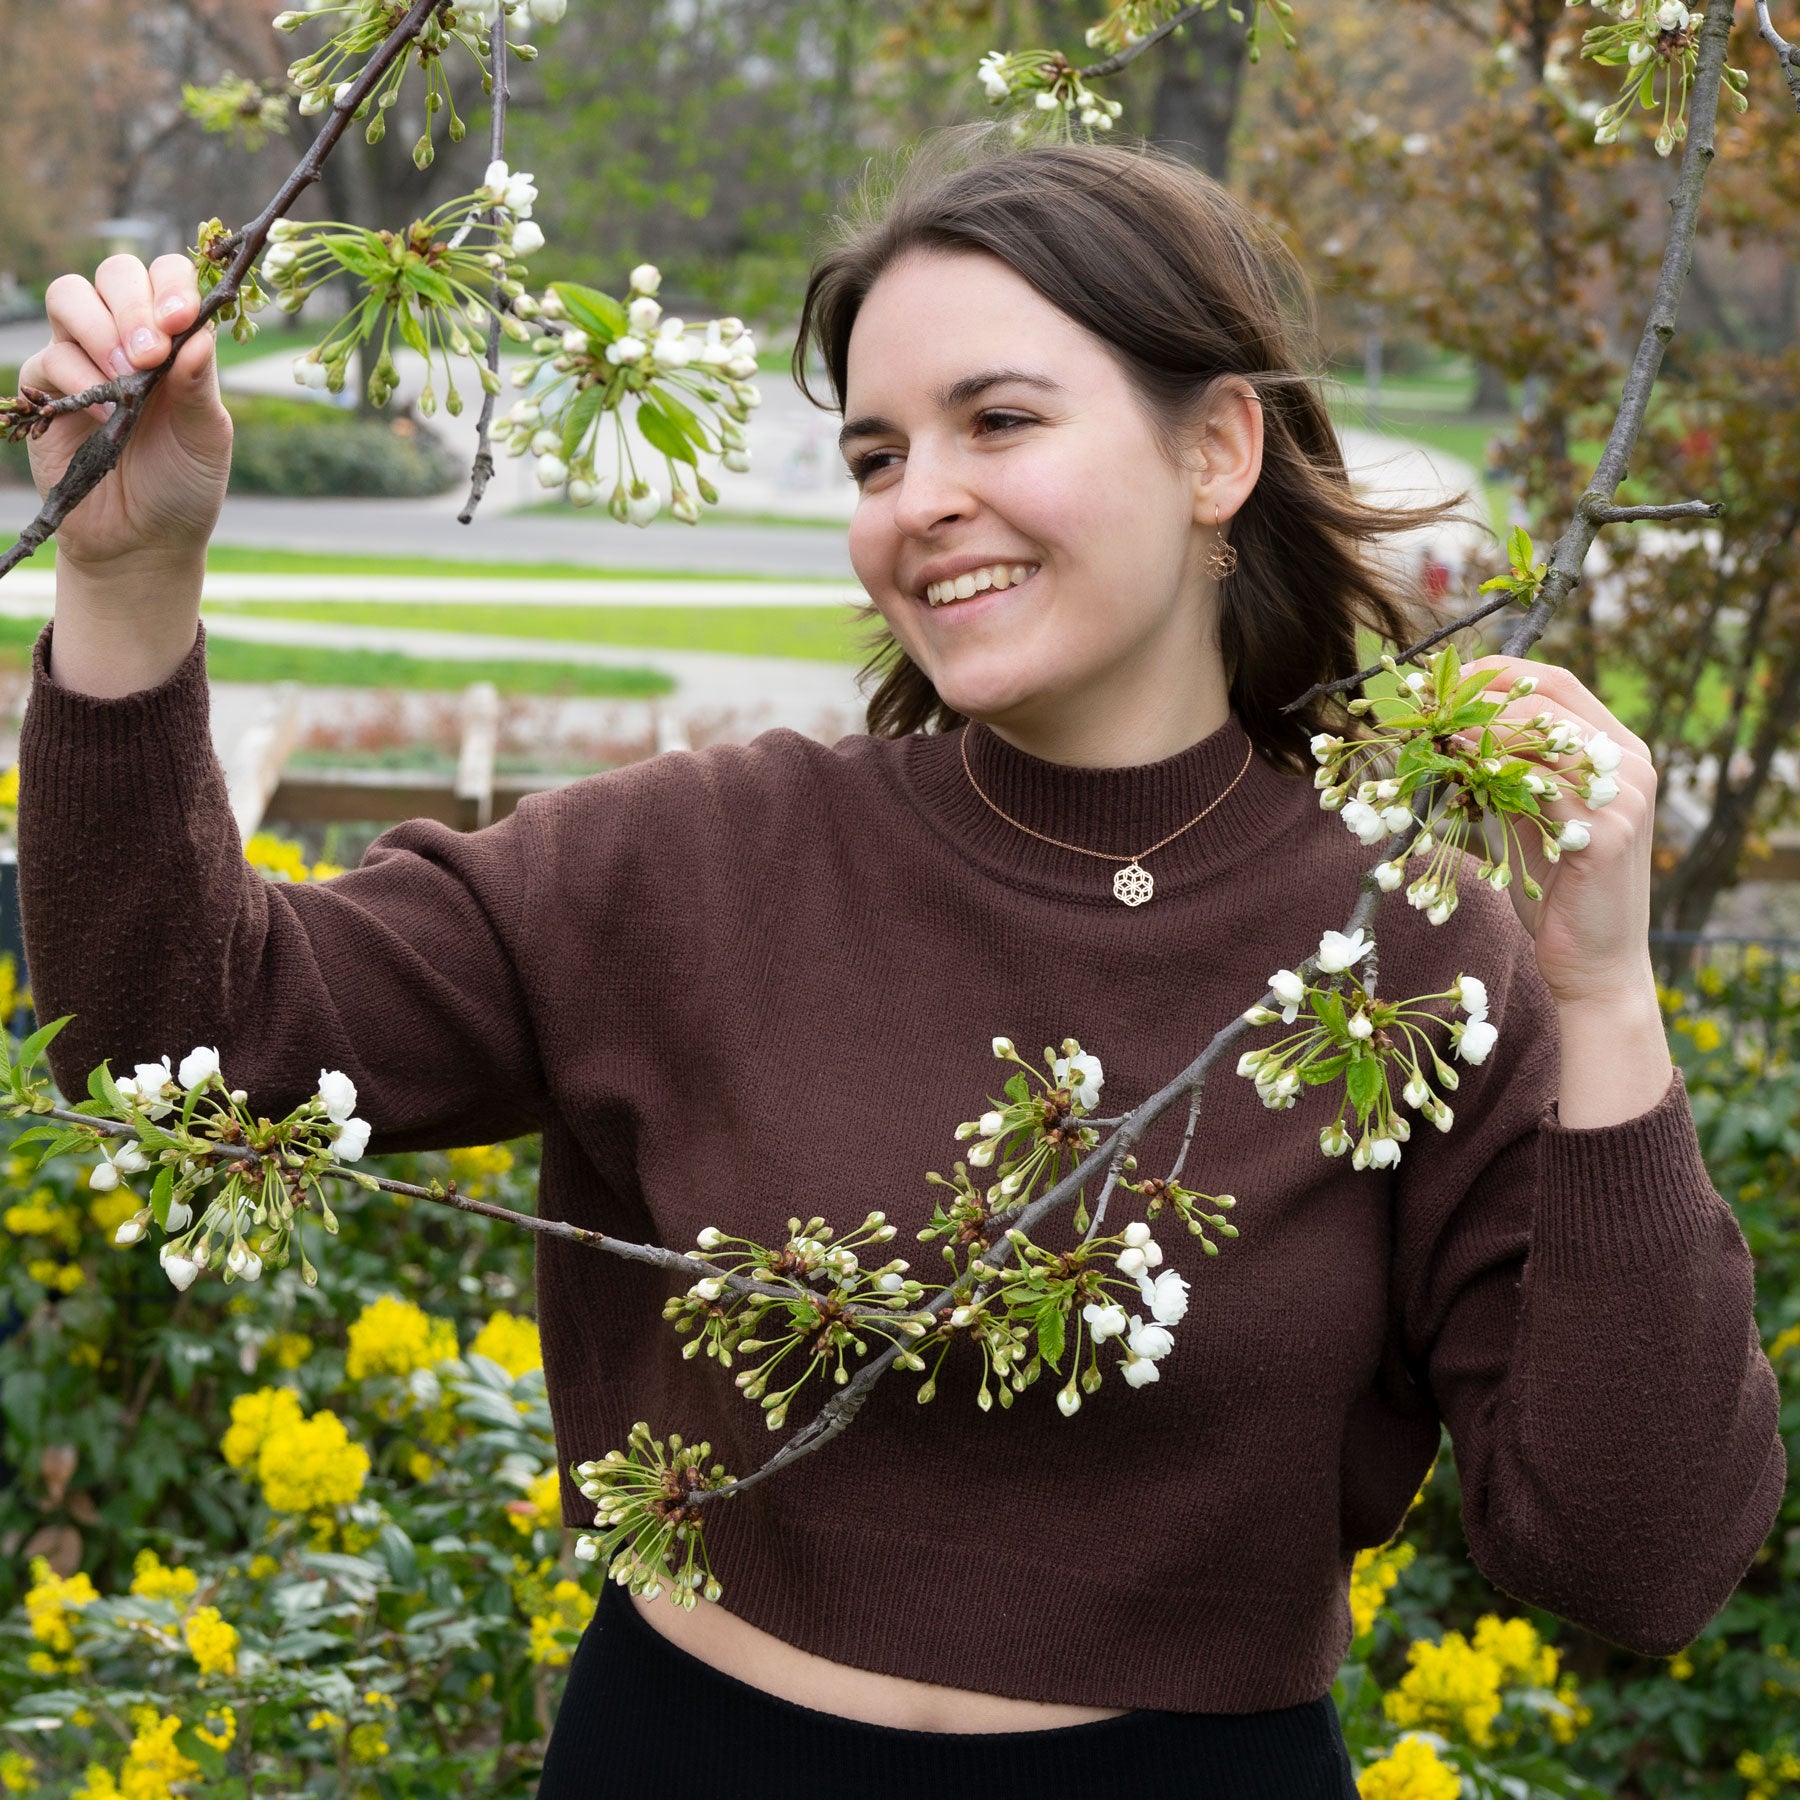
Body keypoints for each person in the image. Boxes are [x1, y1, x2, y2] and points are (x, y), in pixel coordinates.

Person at [14, 137, 1782, 1798]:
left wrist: (1608, 1003)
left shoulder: (1409, 944)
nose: (918, 502)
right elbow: (185, 1039)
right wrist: (129, 574)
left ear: (1216, 450)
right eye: (875, 456)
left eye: (996, 420)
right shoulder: (704, 859)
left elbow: (1638, 1557)